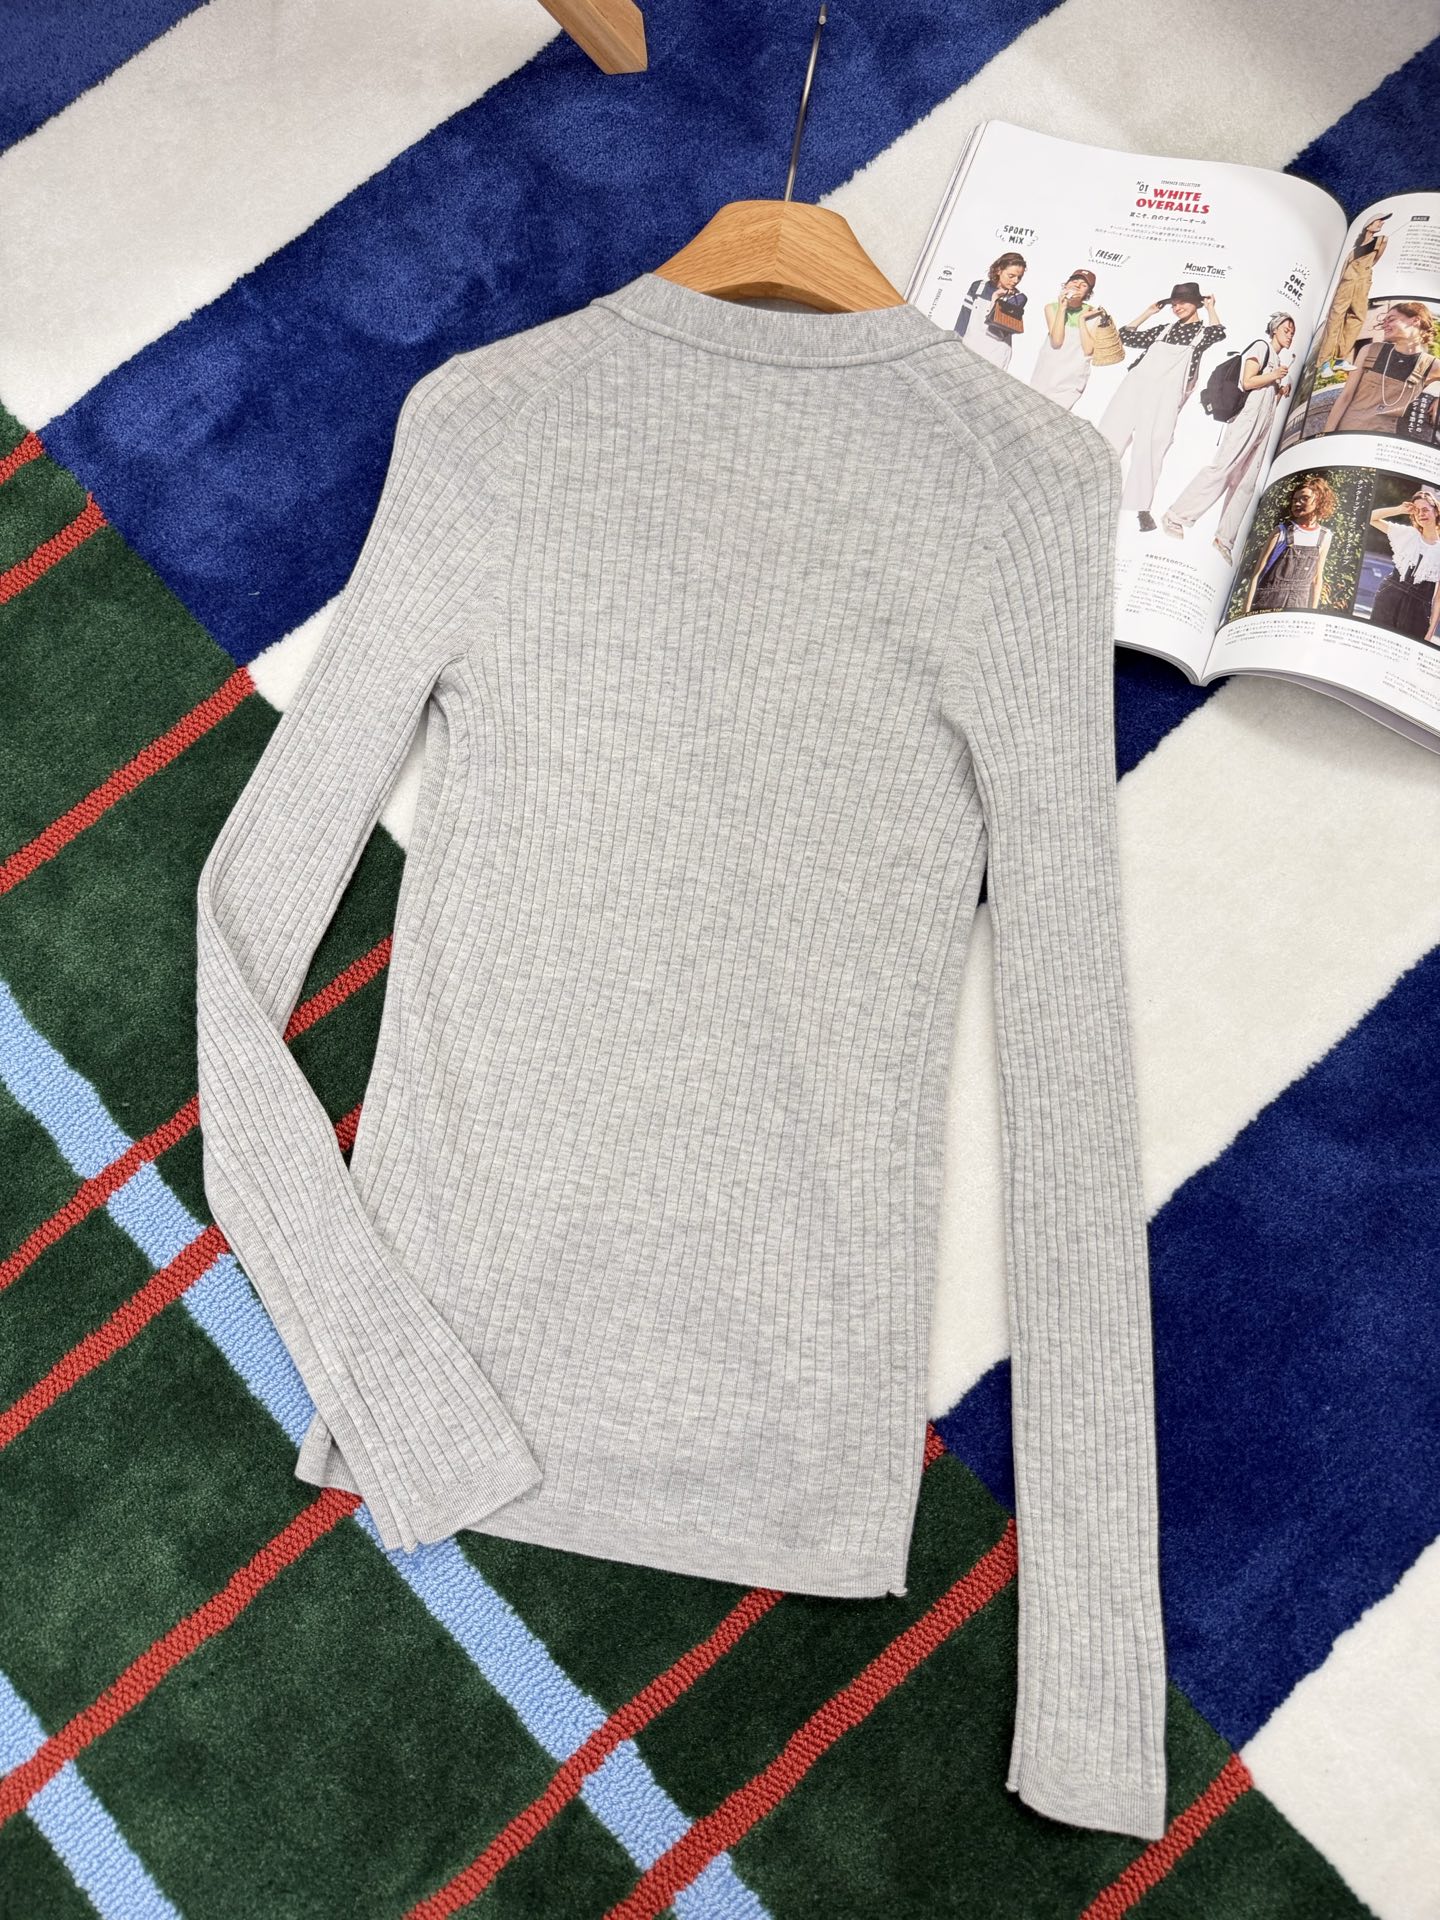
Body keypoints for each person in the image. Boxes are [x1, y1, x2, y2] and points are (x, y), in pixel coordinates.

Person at [1161, 313, 1295, 562]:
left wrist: (1279, 390)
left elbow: (1265, 394)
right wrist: (1274, 376)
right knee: (1223, 468)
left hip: (1263, 423)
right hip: (1246, 419)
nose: (1290, 335)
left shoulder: (1277, 359)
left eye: (1292, 333)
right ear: (1274, 329)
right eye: (1286, 330)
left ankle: (1225, 539)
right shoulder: (1261, 346)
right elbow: (1247, 381)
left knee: (1246, 481)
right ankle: (1176, 515)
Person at [1096, 281, 1226, 531]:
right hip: (1134, 387)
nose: (1177, 308)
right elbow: (1125, 335)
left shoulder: (1201, 334)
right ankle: (1090, 491)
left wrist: (1210, 307)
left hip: (1165, 394)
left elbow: (1218, 333)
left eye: (1183, 302)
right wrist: (1148, 312)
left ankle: (1141, 508)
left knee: (1152, 446)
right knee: (1110, 435)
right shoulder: (1162, 330)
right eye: (1174, 304)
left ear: (1196, 303)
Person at [1321, 301, 1440, 439]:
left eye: (1391, 319)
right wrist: (1326, 435)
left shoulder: (1430, 365)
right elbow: (1346, 396)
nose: (1384, 325)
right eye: (1384, 321)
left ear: (1415, 321)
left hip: (1383, 440)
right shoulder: (1370, 350)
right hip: (1348, 431)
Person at [1244, 475, 1336, 613]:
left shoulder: (1324, 536)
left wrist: (1312, 612)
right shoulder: (1281, 531)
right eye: (1295, 500)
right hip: (1268, 604)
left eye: (1304, 498)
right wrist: (1245, 612)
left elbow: (1317, 579)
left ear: (1319, 501)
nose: (1297, 504)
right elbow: (1257, 575)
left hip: (1299, 607)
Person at [1314, 214, 1389, 376]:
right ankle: (1325, 363)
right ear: (1368, 225)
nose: (1382, 223)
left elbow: (1374, 260)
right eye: (1379, 220)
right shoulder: (1352, 252)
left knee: (1357, 318)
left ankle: (1340, 360)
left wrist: (1364, 276)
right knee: (1335, 320)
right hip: (1347, 284)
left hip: (1362, 283)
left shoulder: (1381, 240)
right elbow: (1342, 274)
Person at [1368, 486, 1440, 641]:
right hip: (1389, 597)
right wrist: (1399, 509)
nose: (1421, 514)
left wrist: (1430, 633)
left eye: (1425, 510)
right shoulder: (1408, 534)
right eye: (1417, 511)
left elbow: (1439, 599)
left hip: (1418, 611)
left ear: (1436, 511)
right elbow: (1371, 517)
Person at [1028, 268, 1105, 410]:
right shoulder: (1051, 308)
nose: (1077, 285)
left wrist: (1082, 320)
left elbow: (1088, 350)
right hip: (1046, 373)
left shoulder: (1094, 314)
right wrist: (1062, 308)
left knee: (1054, 416)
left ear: (1088, 293)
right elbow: (1056, 342)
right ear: (1066, 284)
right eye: (1074, 281)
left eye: (1084, 285)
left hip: (1071, 378)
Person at [954, 251, 1028, 371]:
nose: (1015, 281)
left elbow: (997, 331)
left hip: (995, 356)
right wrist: (954, 344)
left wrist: (995, 298)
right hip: (968, 348)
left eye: (1019, 277)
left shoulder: (1018, 298)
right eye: (1011, 276)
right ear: (999, 270)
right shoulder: (978, 287)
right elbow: (963, 319)